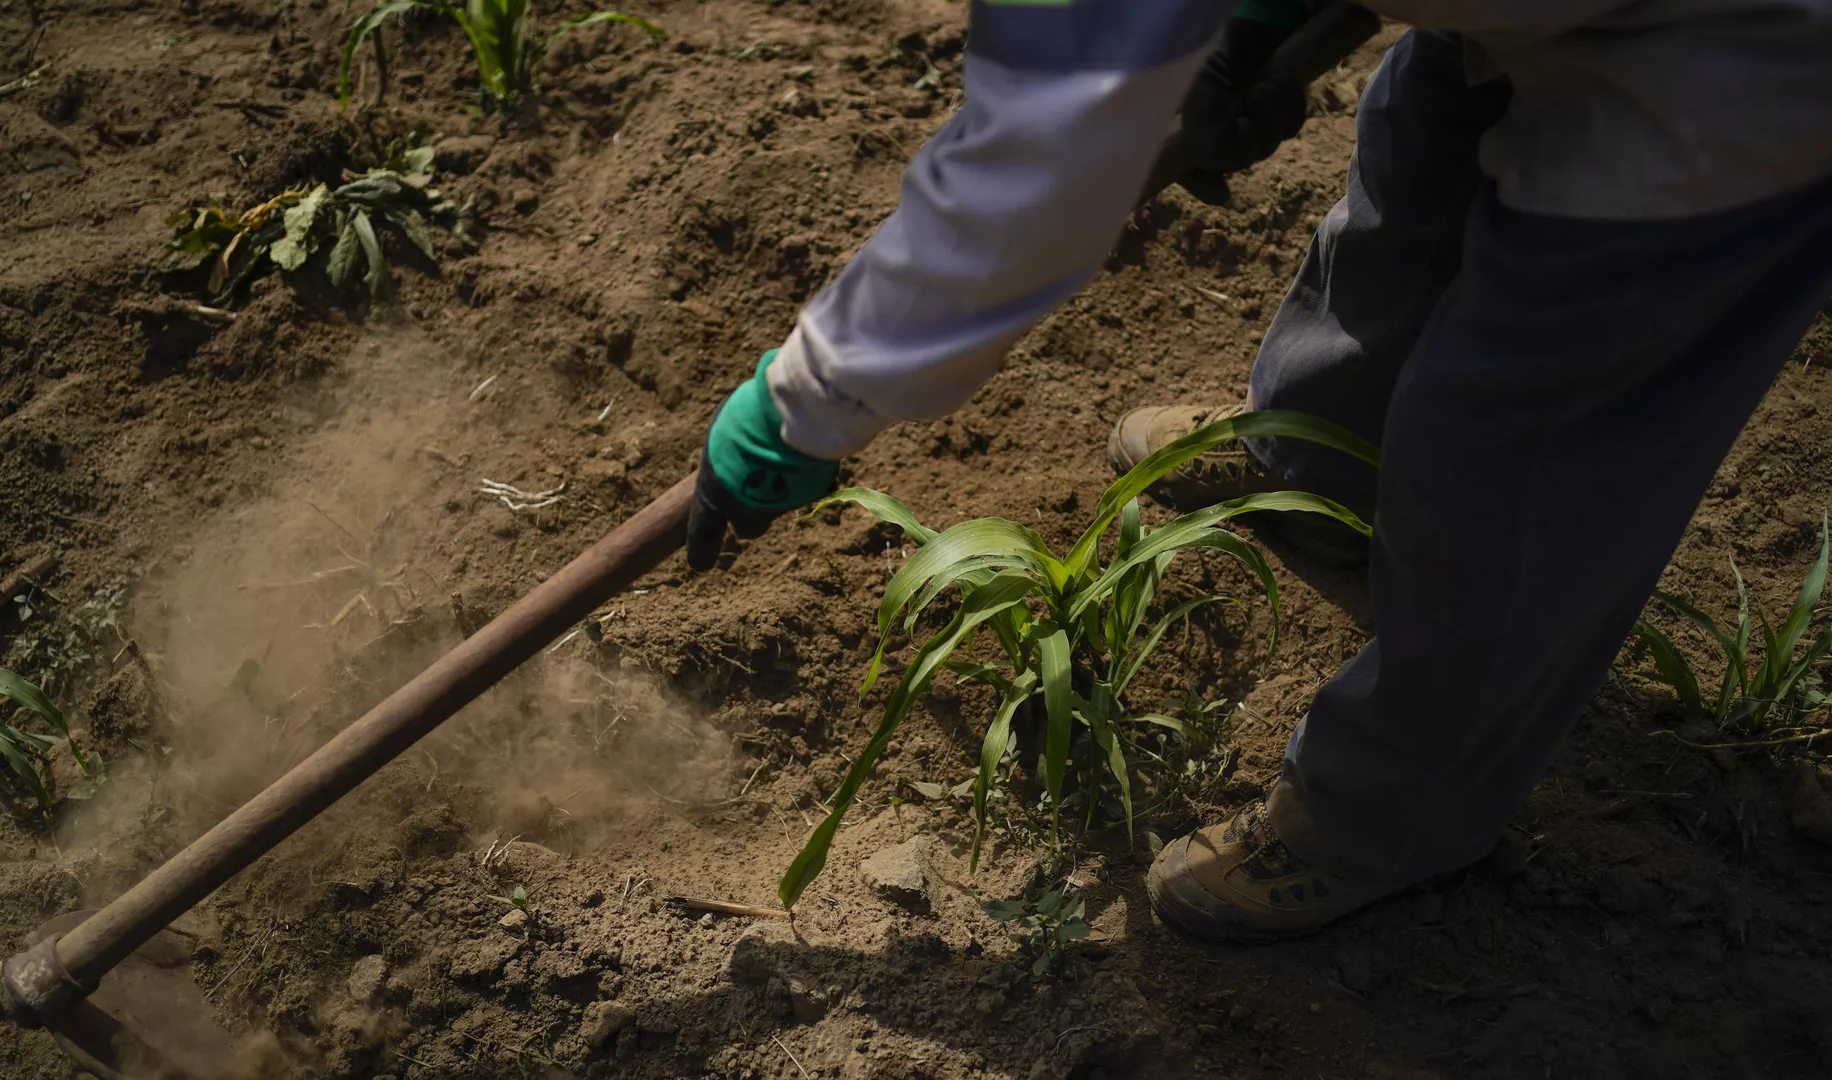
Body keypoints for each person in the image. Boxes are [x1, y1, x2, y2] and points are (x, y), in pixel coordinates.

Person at [683, 0, 1832, 942]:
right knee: (1407, 196)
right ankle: (1317, 474)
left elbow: (1032, 182)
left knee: (1526, 444)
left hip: (1744, 56)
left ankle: (1393, 814)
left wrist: (801, 407)